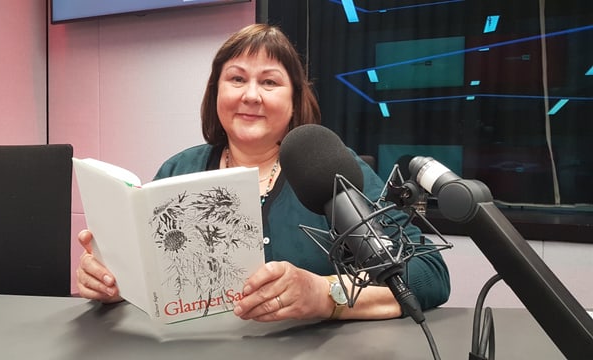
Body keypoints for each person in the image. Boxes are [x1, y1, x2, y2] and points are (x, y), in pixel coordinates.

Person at [76, 23, 450, 322]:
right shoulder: (177, 170)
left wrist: (325, 296)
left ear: (293, 100)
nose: (251, 95)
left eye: (269, 82)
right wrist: (112, 281)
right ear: (216, 93)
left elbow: (429, 272)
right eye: (237, 79)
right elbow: (150, 280)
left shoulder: (330, 170)